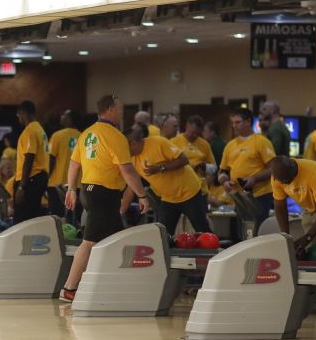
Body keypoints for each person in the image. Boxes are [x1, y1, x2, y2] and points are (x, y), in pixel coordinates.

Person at [59, 94, 151, 302]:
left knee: (114, 240)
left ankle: (111, 284)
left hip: (89, 191)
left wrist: (72, 189)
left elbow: (74, 164)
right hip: (103, 193)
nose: (121, 113)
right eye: (119, 109)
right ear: (109, 109)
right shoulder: (114, 135)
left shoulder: (87, 134)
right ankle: (69, 288)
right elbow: (127, 170)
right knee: (90, 242)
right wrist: (142, 195)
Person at [126, 125, 210, 242]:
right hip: (169, 198)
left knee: (202, 231)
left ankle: (212, 257)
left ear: (133, 143)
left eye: (125, 147)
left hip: (189, 192)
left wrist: (160, 168)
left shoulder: (158, 142)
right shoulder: (132, 159)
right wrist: (121, 211)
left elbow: (184, 160)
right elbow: (131, 186)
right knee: (163, 236)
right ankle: (167, 259)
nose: (123, 150)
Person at [217, 107, 277, 229]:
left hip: (260, 194)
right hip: (239, 195)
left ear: (248, 121)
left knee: (257, 229)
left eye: (237, 122)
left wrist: (254, 178)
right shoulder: (230, 145)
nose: (234, 126)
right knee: (243, 229)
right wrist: (224, 181)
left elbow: (274, 168)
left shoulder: (261, 141)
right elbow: (222, 170)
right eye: (233, 123)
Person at [13, 100, 50, 223]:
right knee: (32, 218)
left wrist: (21, 187)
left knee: (22, 220)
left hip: (31, 180)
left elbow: (29, 158)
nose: (18, 118)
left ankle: (20, 242)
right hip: (39, 177)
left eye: (18, 115)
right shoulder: (40, 129)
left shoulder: (30, 131)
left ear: (24, 113)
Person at [47, 110, 80, 215]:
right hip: (77, 185)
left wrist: (46, 177)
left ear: (70, 119)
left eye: (64, 115)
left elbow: (51, 159)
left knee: (58, 216)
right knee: (73, 217)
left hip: (58, 184)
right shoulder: (82, 136)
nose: (61, 117)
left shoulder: (57, 136)